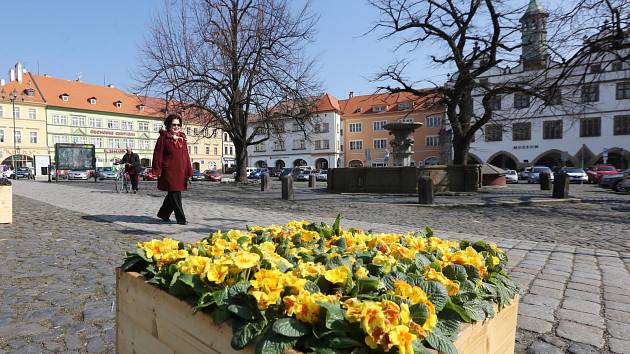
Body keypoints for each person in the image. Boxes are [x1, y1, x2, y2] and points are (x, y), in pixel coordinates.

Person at [152, 114, 193, 225]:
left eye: (178, 125)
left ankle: (163, 213)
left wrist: (189, 171)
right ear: (168, 125)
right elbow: (157, 155)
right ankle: (181, 219)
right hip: (169, 171)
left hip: (181, 171)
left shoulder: (182, 138)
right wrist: (157, 170)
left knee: (172, 193)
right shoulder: (163, 139)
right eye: (174, 124)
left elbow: (186, 156)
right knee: (175, 193)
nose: (176, 127)